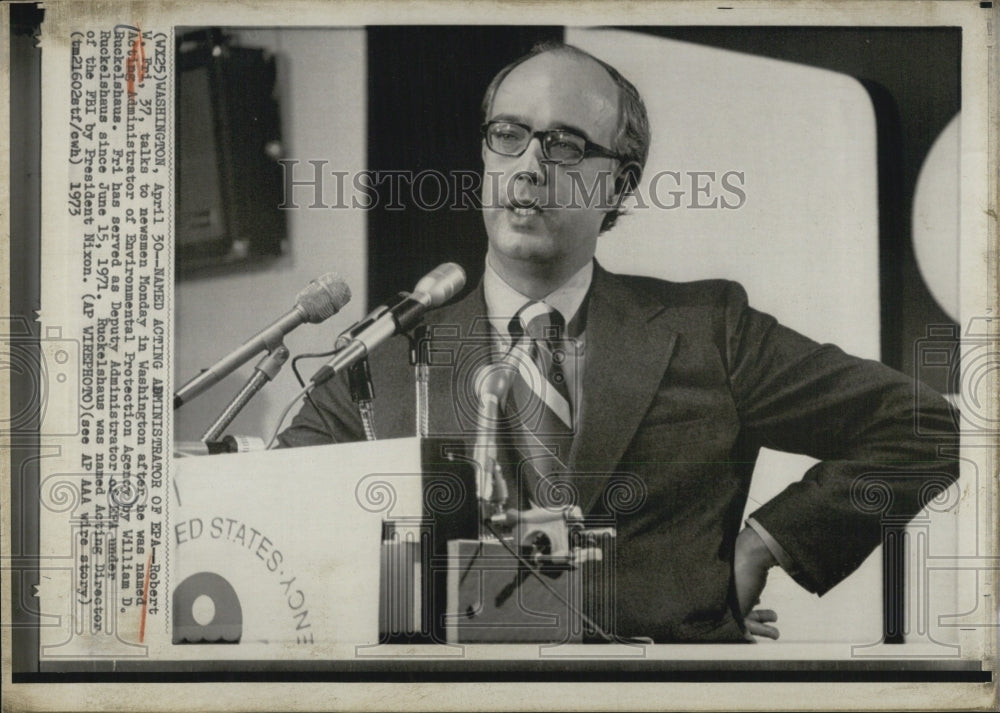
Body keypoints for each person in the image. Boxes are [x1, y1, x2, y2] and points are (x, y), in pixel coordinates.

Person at [278, 42, 960, 643]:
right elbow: (279, 522)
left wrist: (763, 545)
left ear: (621, 183)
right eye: (508, 135)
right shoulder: (379, 359)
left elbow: (926, 428)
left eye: (567, 146)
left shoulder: (707, 329)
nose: (530, 166)